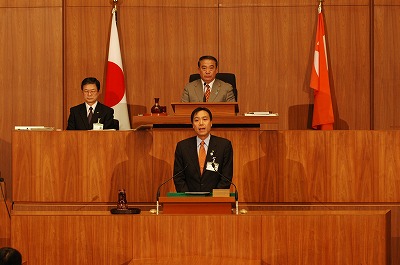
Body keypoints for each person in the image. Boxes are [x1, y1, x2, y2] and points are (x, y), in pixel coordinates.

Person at [173, 107, 233, 192]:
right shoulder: (182, 147)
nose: (201, 123)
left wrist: (215, 197)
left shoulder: (224, 146)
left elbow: (226, 177)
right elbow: (178, 177)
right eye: (196, 120)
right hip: (189, 200)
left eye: (205, 119)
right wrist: (187, 198)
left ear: (211, 123)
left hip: (215, 201)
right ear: (193, 125)